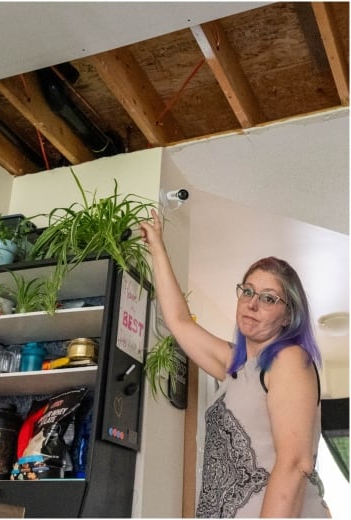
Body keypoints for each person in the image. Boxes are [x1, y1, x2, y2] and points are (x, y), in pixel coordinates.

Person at [140, 209, 330, 518]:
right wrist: (158, 246)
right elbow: (179, 322)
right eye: (248, 291)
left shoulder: (289, 359)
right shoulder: (239, 366)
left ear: (288, 315)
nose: (253, 303)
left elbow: (296, 463)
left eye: (269, 298)